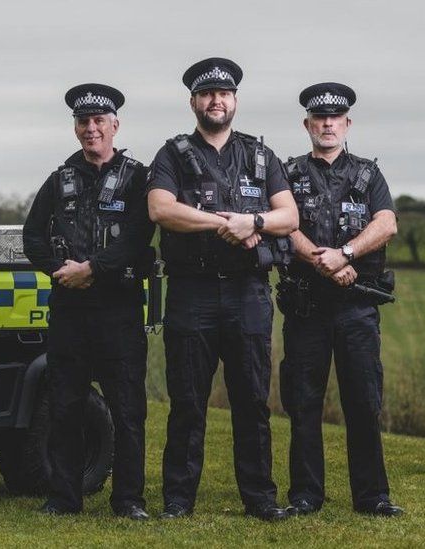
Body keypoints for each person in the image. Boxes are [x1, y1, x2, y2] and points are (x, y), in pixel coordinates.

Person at [146, 58, 298, 521]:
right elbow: (160, 209)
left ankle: (260, 499)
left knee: (252, 400)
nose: (216, 100)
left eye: (224, 93)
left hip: (248, 293)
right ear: (193, 101)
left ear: (234, 100)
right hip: (192, 293)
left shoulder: (260, 155)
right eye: (207, 93)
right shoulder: (172, 154)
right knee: (188, 401)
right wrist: (224, 223)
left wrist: (253, 221)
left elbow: (289, 216)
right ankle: (178, 500)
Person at [22, 83, 155, 519]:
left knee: (128, 408)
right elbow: (32, 237)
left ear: (115, 125)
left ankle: (128, 499)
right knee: (65, 406)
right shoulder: (59, 179)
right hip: (70, 311)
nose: (91, 128)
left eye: (100, 121)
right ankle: (64, 497)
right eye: (84, 121)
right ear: (75, 127)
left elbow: (138, 238)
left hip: (118, 309)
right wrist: (61, 271)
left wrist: (92, 270)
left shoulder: (138, 177)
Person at [277, 82, 402, 517]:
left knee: (364, 403)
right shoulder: (287, 172)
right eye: (319, 118)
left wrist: (346, 253)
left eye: (335, 118)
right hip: (307, 307)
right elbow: (283, 225)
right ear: (307, 124)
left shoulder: (369, 174)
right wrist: (322, 260)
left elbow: (386, 223)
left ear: (347, 124)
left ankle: (372, 497)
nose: (327, 124)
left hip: (356, 309)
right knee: (303, 403)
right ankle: (306, 496)